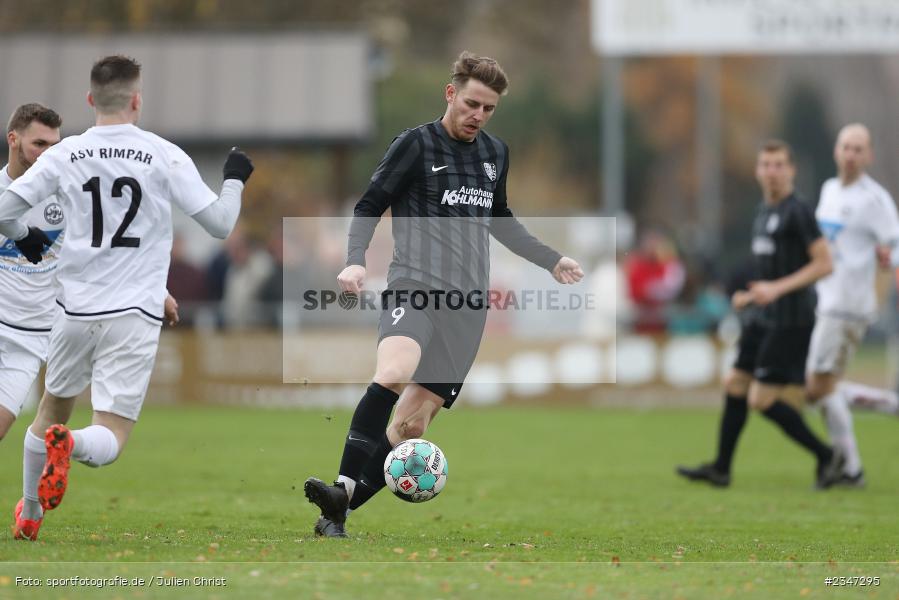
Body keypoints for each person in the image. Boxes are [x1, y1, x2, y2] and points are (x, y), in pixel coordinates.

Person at [304, 51, 584, 537]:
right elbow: (371, 203)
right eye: (472, 103)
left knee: (410, 428)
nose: (479, 115)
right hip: (414, 286)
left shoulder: (496, 154)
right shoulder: (414, 145)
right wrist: (355, 258)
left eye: (489, 108)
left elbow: (501, 220)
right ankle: (342, 483)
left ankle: (338, 510)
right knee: (394, 371)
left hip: (467, 305)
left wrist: (550, 259)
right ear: (450, 94)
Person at [0, 55, 254, 540]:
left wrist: (23, 233)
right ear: (137, 100)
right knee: (110, 434)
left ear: (90, 99)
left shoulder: (65, 154)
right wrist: (234, 179)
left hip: (72, 310)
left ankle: (30, 512)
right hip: (133, 311)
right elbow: (220, 224)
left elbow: (3, 209)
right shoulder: (162, 153)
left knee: (50, 410)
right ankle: (70, 445)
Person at [676, 139, 844, 489]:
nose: (772, 172)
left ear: (791, 170)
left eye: (779, 165)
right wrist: (750, 296)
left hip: (791, 320)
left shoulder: (798, 212)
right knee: (735, 383)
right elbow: (768, 271)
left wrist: (776, 290)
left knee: (761, 399)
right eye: (766, 165)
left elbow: (824, 264)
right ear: (757, 171)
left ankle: (828, 455)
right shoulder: (764, 212)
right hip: (763, 316)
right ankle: (721, 469)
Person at [804, 123, 899, 487]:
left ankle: (852, 463)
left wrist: (888, 263)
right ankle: (851, 468)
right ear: (836, 150)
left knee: (816, 388)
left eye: (858, 149)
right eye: (846, 147)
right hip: (826, 302)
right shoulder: (829, 190)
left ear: (869, 155)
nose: (851, 155)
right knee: (822, 388)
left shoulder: (874, 200)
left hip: (848, 308)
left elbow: (895, 246)